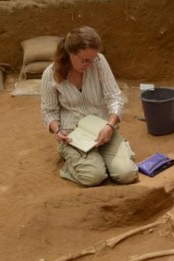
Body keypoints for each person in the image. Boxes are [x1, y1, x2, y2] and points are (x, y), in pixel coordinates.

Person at [41, 26, 138, 186]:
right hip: (74, 134)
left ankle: (101, 158)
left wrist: (110, 125)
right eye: (84, 60)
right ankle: (69, 160)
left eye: (92, 59)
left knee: (127, 174)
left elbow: (114, 97)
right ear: (71, 53)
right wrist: (57, 130)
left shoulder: (99, 62)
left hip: (103, 129)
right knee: (95, 176)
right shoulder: (50, 75)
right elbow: (48, 111)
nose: (90, 64)